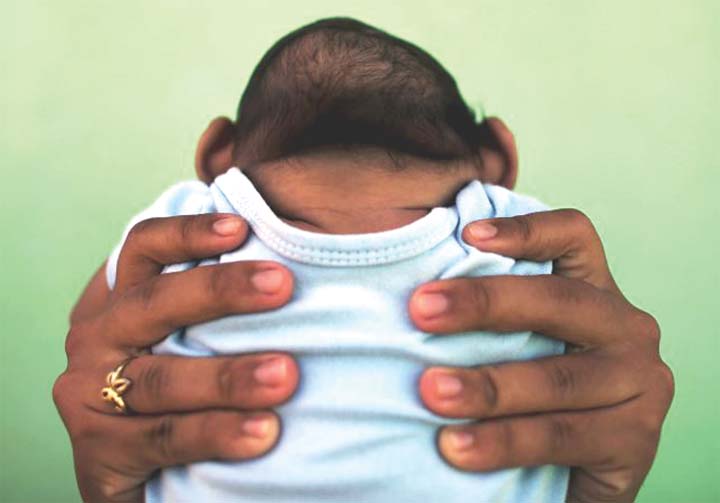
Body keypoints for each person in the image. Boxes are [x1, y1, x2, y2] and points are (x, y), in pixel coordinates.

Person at [53, 18, 674, 503]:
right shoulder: (514, 229)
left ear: (219, 153)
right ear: (498, 159)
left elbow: (92, 336)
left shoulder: (191, 218)